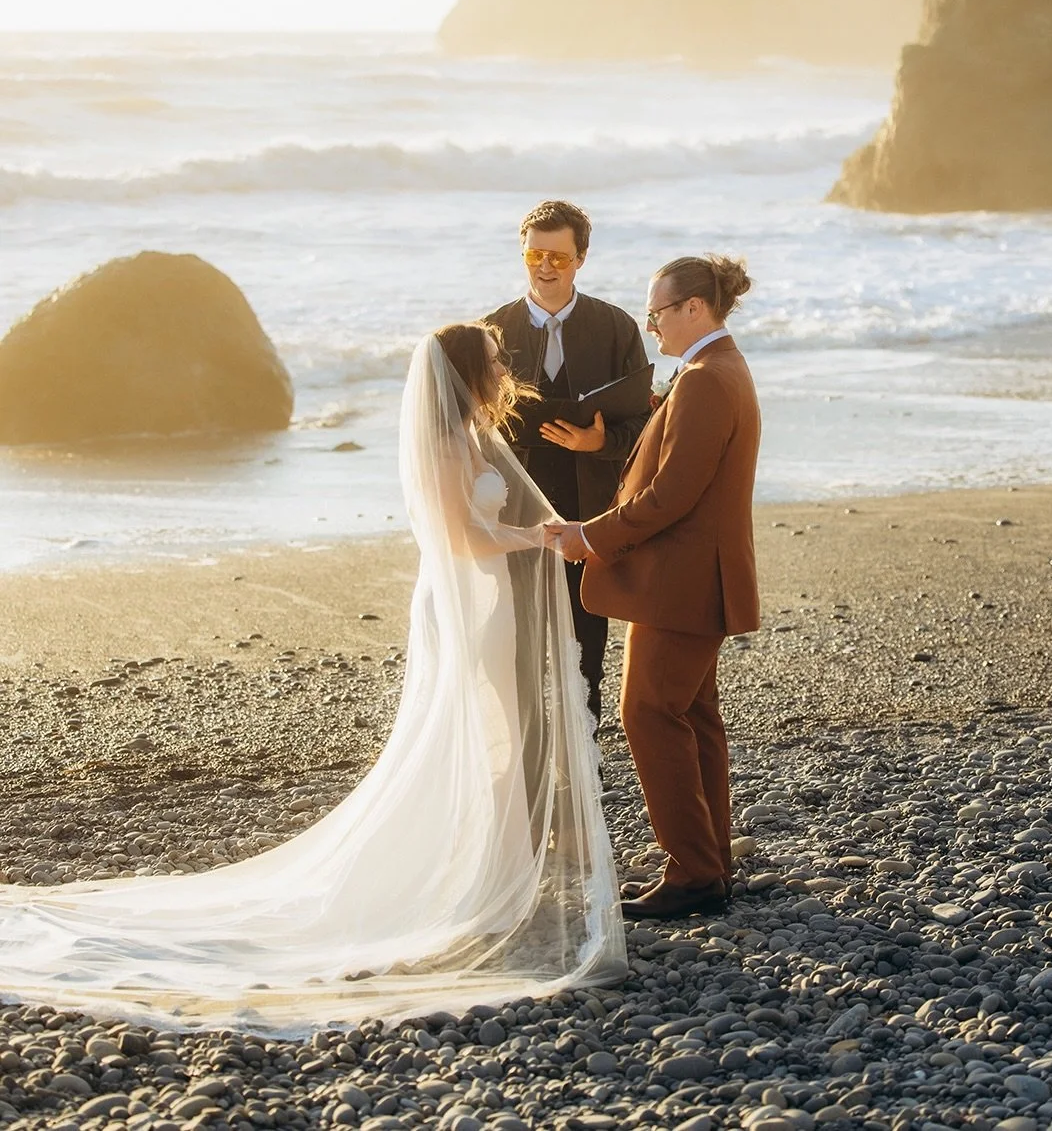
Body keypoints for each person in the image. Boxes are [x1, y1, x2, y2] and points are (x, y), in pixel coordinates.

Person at [0, 323, 625, 1032]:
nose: (502, 368)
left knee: (498, 722)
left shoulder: (474, 437)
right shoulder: (447, 444)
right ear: (461, 375)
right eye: (491, 362)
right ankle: (485, 875)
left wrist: (538, 534)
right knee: (479, 725)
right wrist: (534, 538)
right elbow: (457, 536)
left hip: (484, 593)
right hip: (467, 593)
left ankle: (500, 864)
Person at [546, 254, 761, 921]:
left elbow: (673, 495)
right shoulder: (718, 369)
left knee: (648, 713)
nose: (651, 325)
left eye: (658, 312)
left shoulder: (704, 379)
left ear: (694, 308)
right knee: (692, 716)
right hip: (696, 578)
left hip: (682, 581)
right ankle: (710, 860)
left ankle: (694, 871)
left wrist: (592, 535)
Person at [484, 201, 651, 730]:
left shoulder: (617, 328)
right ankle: (529, 768)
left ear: (581, 258)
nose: (546, 265)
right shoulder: (490, 333)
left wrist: (598, 443)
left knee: (586, 655)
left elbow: (645, 428)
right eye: (535, 253)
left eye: (559, 255)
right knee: (520, 652)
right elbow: (472, 430)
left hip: (589, 515)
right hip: (515, 519)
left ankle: (586, 766)